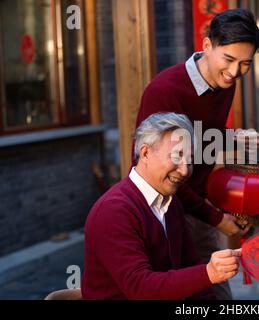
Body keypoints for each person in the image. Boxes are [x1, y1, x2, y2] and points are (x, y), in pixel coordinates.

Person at [135, 8, 259, 299]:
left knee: (216, 292)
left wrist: (234, 141)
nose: (234, 72)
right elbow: (152, 168)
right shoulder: (165, 90)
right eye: (228, 60)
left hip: (196, 205)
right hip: (161, 212)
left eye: (245, 64)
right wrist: (215, 217)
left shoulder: (225, 84)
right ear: (207, 45)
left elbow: (202, 146)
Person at [82, 113, 241, 300]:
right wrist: (209, 273)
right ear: (145, 153)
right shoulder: (113, 211)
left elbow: (192, 269)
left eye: (189, 160)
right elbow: (140, 287)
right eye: (177, 156)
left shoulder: (172, 205)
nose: (184, 170)